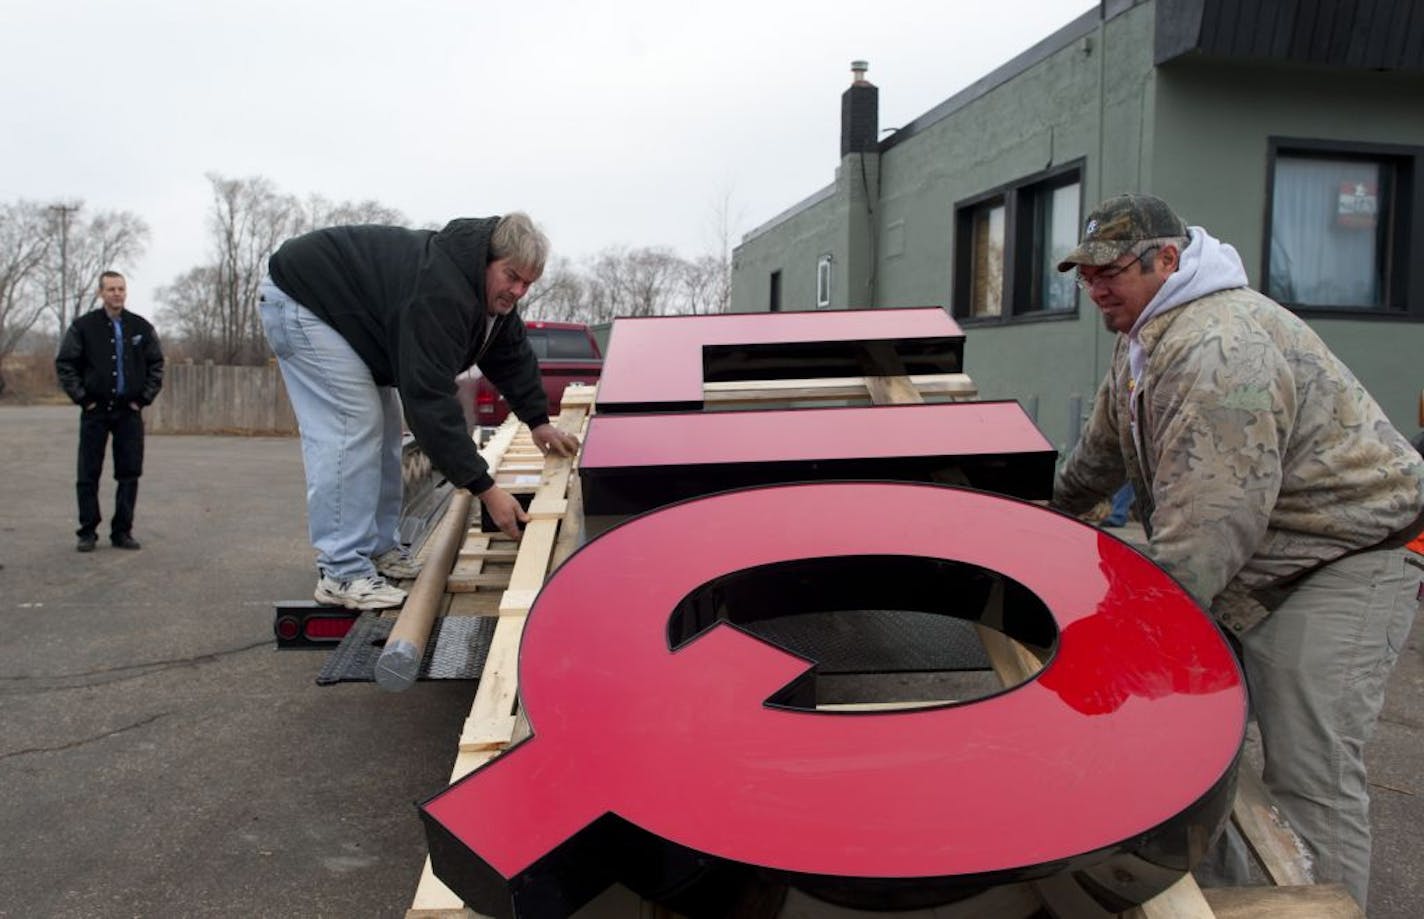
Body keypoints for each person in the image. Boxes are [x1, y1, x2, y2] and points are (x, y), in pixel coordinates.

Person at [1051, 193, 1424, 909]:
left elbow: (1210, 531)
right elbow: (1098, 453)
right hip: (1260, 555)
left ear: (1167, 259)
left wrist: (1133, 634)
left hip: (1341, 555)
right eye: (1086, 274)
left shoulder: (1223, 349)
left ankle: (1318, 907)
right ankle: (1230, 898)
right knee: (1203, 744)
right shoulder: (1144, 336)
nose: (1097, 287)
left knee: (1308, 768)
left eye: (1111, 271)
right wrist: (1041, 516)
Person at [259, 213, 579, 611]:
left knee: (384, 428)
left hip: (345, 317)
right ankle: (341, 572)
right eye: (511, 276)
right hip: (304, 300)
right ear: (486, 260)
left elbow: (512, 357)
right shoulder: (439, 292)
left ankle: (376, 550)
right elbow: (429, 400)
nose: (517, 290)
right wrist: (484, 487)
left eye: (526, 283)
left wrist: (538, 422)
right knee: (352, 427)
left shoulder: (489, 301)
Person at [55, 271, 165, 552]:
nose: (117, 293)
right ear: (101, 292)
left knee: (129, 473)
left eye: (121, 289)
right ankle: (87, 531)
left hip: (129, 412)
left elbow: (156, 365)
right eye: (111, 289)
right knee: (88, 473)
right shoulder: (84, 327)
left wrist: (143, 399)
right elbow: (66, 364)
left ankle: (122, 531)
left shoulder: (140, 327)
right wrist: (83, 399)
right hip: (95, 410)